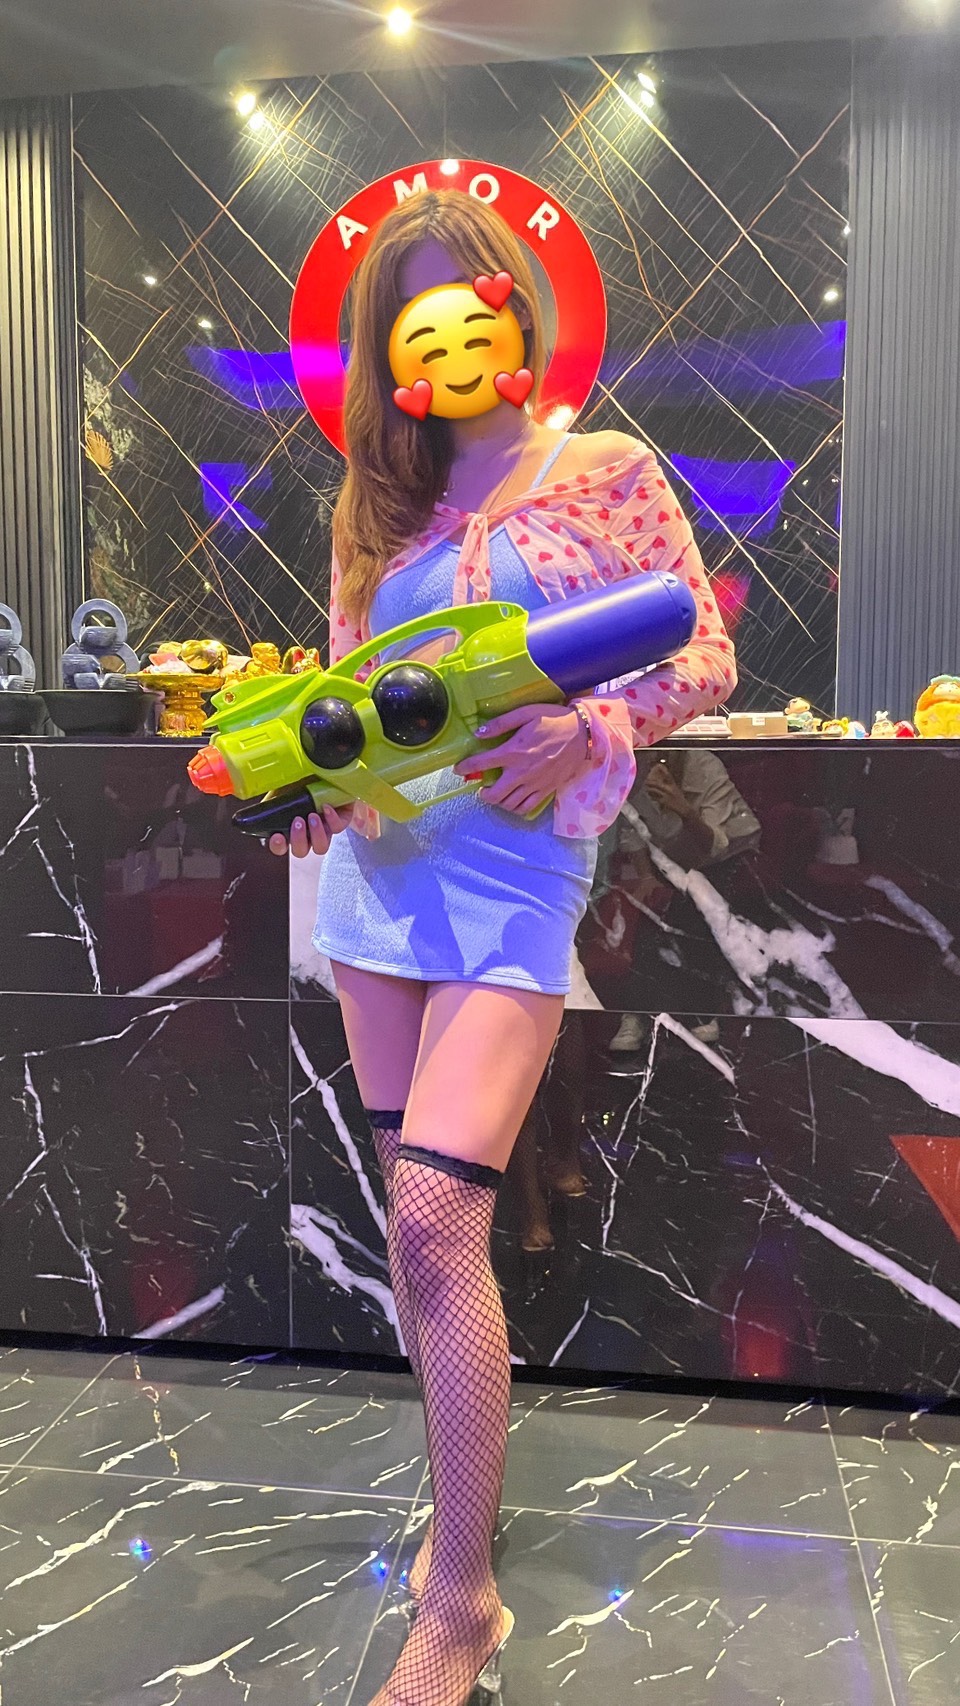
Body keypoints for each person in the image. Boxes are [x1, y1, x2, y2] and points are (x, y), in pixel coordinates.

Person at [271, 188, 735, 1706]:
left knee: (428, 1215)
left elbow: (705, 649)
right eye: (416, 305)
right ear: (386, 347)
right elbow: (348, 700)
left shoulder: (602, 469)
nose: (452, 324)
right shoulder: (371, 506)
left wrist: (595, 721)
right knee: (429, 1239)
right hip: (382, 888)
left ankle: (461, 1598)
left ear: (514, 306)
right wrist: (313, 796)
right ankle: (455, 1516)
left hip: (521, 871)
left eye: (471, 290)